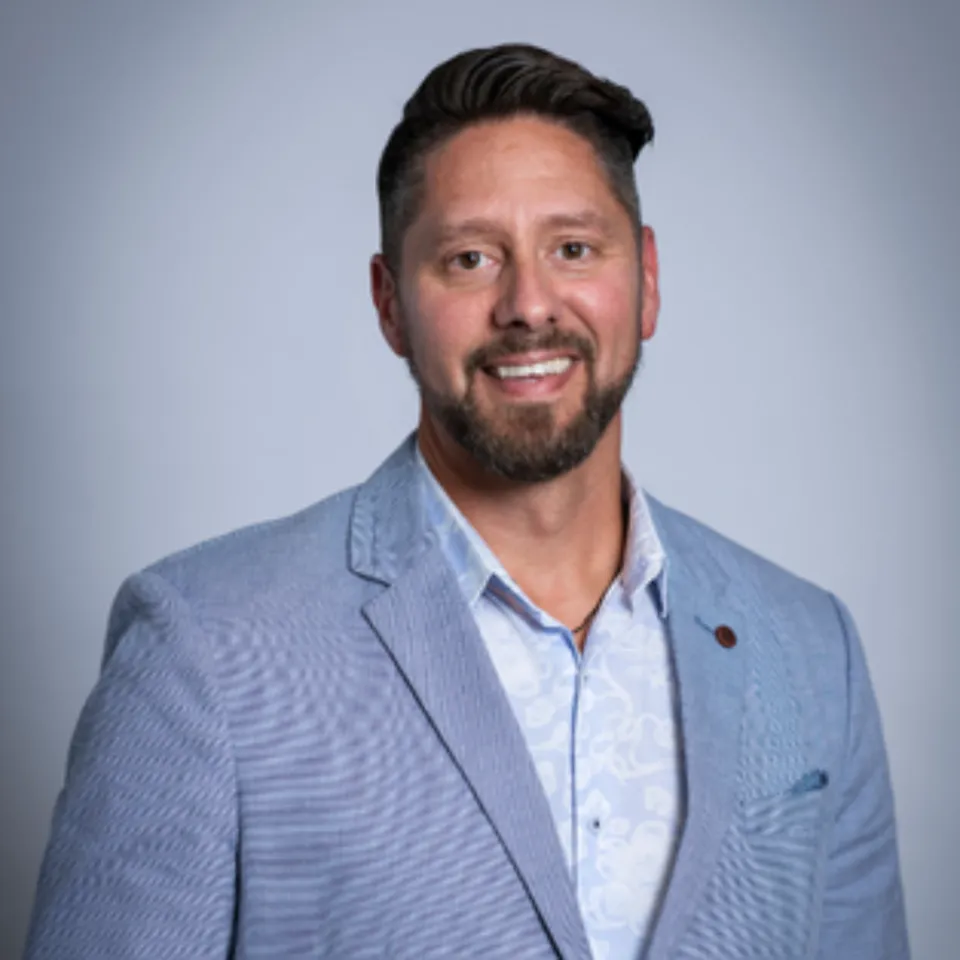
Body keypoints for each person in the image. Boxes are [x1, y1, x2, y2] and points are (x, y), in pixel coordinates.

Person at [25, 43, 909, 960]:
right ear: (390, 304)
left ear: (646, 279)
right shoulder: (203, 648)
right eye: (471, 258)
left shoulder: (812, 649)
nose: (529, 305)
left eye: (573, 249)